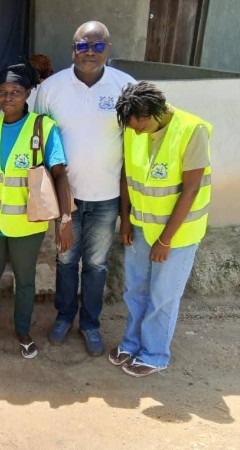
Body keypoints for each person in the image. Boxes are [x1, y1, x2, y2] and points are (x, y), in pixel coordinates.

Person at [34, 21, 135, 356]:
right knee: (65, 261)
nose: (89, 52)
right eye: (82, 46)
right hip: (68, 198)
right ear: (72, 49)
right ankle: (64, 316)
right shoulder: (51, 88)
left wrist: (126, 211)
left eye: (97, 45)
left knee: (96, 264)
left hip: (107, 197)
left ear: (109, 49)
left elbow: (134, 147)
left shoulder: (126, 87)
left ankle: (90, 323)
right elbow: (40, 141)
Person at [0, 63, 73, 359]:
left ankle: (23, 331)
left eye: (15, 91)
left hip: (27, 224)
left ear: (28, 93)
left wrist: (65, 219)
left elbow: (60, 174)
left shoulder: (43, 127)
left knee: (25, 280)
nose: (7, 97)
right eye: (2, 92)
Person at [111, 81, 211, 377]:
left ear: (155, 112)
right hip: (141, 227)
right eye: (131, 128)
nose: (136, 133)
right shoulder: (134, 128)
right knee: (136, 290)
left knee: (162, 296)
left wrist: (165, 240)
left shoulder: (192, 130)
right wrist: (126, 219)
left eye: (140, 127)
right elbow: (127, 175)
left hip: (177, 235)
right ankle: (132, 343)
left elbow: (191, 190)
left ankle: (155, 354)